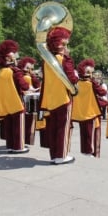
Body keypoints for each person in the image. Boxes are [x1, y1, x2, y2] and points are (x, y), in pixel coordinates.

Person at [39, 27, 79, 165]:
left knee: (53, 128)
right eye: (65, 43)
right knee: (63, 127)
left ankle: (54, 155)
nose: (67, 47)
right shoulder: (64, 59)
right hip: (63, 98)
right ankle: (62, 155)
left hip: (51, 100)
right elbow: (72, 78)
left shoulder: (46, 61)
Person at [0, 40, 30, 154]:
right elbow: (24, 86)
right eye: (13, 54)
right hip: (16, 102)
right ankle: (18, 146)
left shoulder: (0, 72)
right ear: (8, 58)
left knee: (9, 126)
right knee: (18, 126)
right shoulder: (15, 71)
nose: (15, 56)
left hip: (5, 104)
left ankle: (10, 145)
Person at [71, 59, 106, 157]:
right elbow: (103, 92)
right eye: (90, 72)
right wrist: (94, 81)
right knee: (90, 134)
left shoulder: (76, 83)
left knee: (84, 134)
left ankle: (84, 151)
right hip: (90, 112)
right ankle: (89, 152)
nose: (92, 74)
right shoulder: (91, 84)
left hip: (80, 112)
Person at [18, 57, 41, 146]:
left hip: (23, 101)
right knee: (30, 125)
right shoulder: (27, 77)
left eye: (32, 68)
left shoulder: (20, 76)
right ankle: (29, 143)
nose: (31, 70)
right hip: (30, 101)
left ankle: (25, 141)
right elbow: (36, 86)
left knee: (25, 124)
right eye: (29, 68)